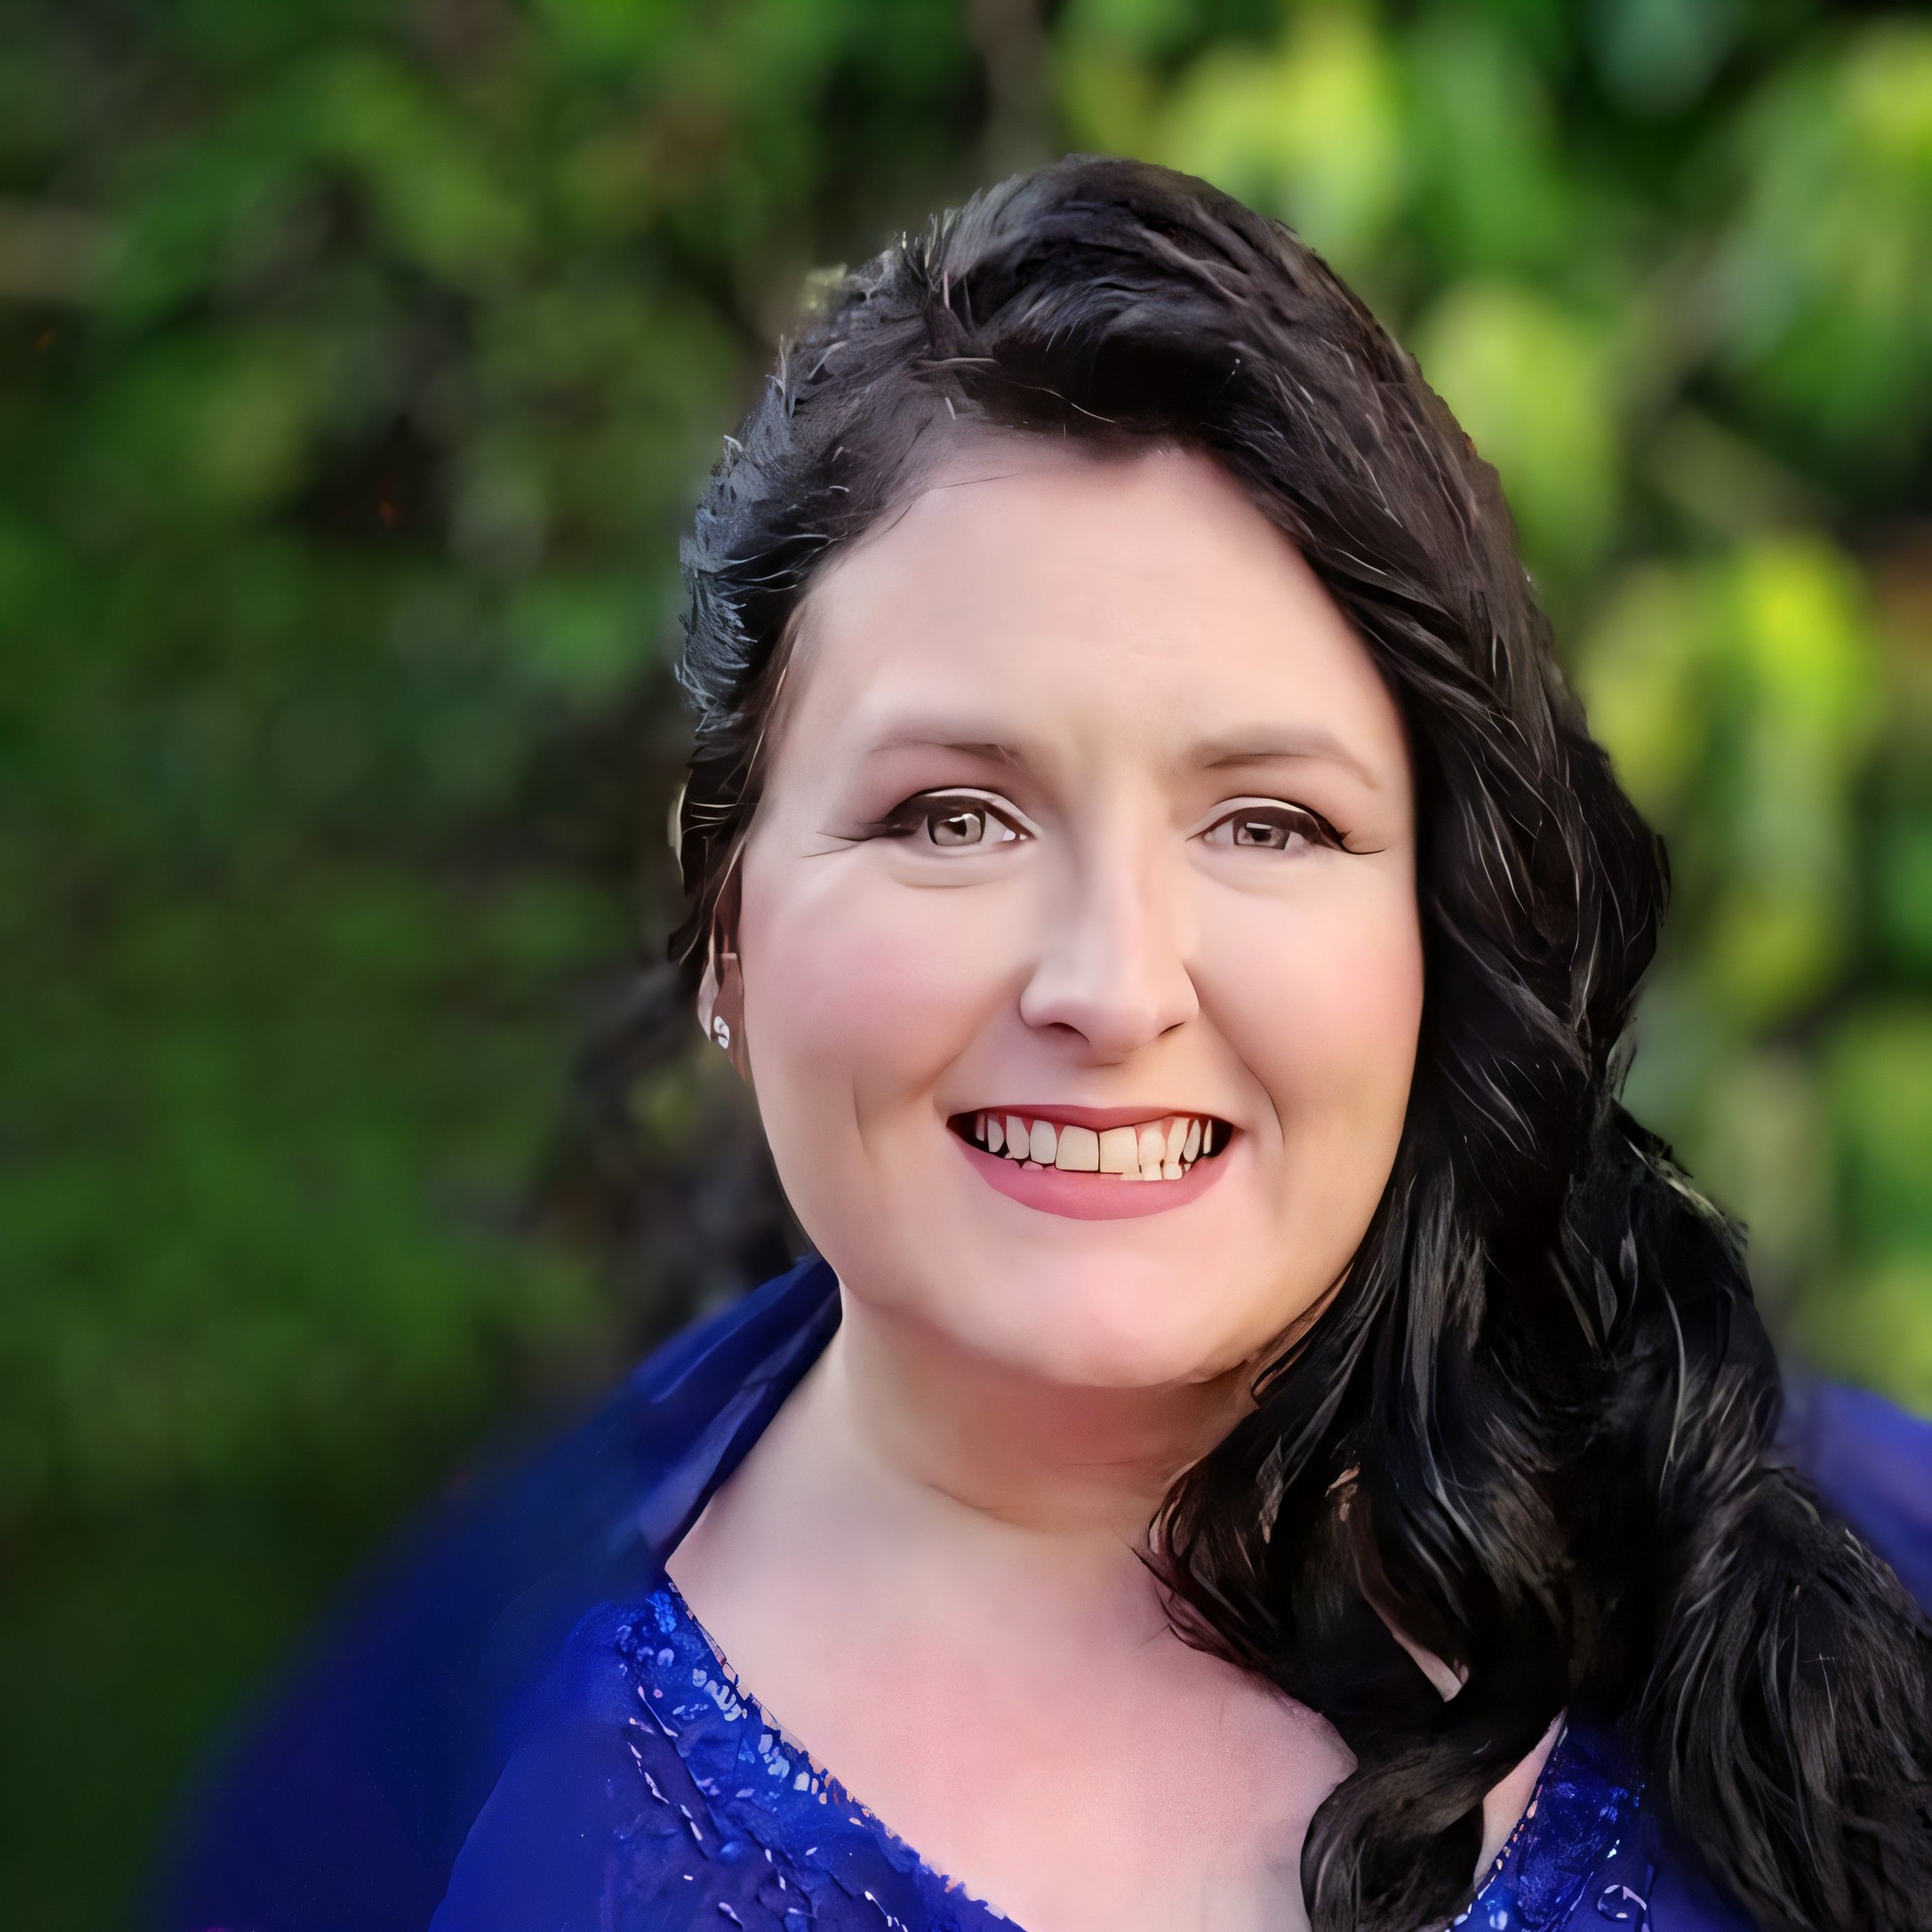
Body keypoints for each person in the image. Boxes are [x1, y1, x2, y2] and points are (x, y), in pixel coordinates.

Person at [156, 156, 1932, 1932]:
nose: (1112, 984)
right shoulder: (425, 1800)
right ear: (724, 912)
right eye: (954, 817)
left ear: (1437, 930)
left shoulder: (1841, 1568)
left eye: (1266, 823)